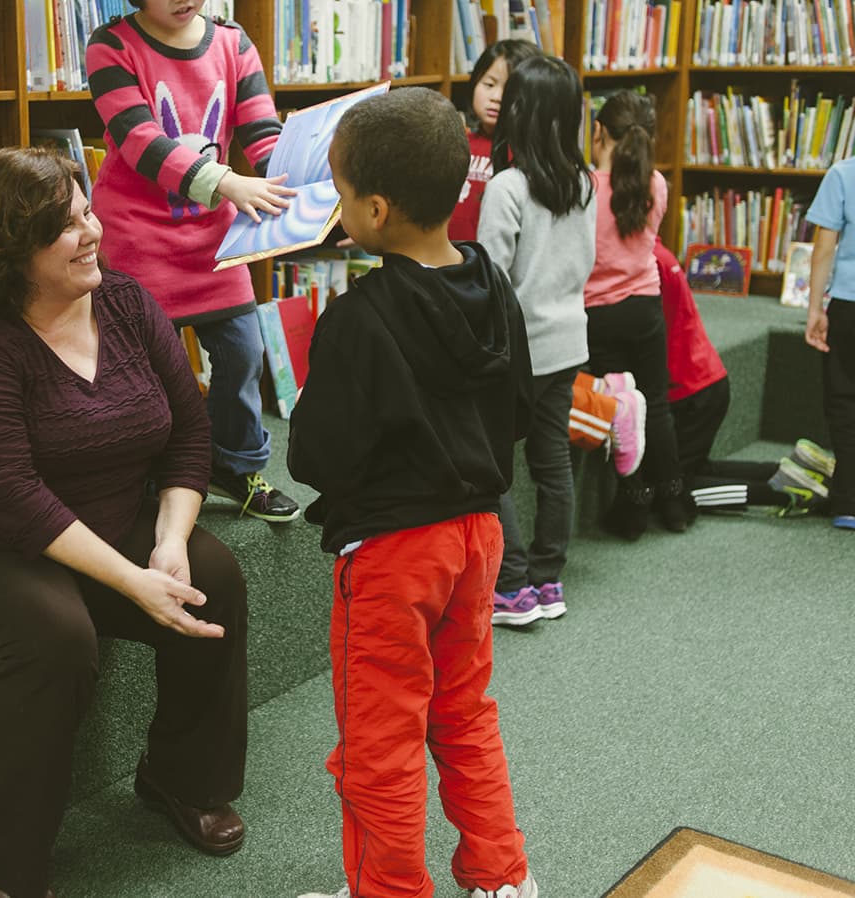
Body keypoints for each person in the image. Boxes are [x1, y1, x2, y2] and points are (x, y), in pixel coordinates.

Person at [0, 147, 250, 898]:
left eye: (87, 212)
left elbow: (189, 435)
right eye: (65, 228)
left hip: (90, 525)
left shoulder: (126, 304)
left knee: (213, 575)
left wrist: (167, 543)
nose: (92, 232)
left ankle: (181, 778)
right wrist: (133, 580)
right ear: (9, 251)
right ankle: (7, 862)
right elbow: (12, 497)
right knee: (52, 634)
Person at [290, 87, 537, 898]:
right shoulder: (494, 284)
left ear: (375, 209)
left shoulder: (358, 317)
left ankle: (388, 891)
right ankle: (501, 878)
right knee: (464, 711)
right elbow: (522, 409)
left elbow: (319, 454)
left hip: (397, 553)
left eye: (337, 188)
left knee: (380, 735)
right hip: (478, 533)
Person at [85, 0, 302, 522]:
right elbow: (141, 141)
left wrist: (302, 181)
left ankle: (232, 465)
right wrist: (226, 181)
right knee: (143, 372)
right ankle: (142, 476)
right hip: (138, 242)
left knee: (245, 352)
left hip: (214, 243)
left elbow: (262, 132)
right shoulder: (110, 46)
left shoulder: (233, 42)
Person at [477, 54, 597, 626]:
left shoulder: (507, 186)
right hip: (569, 341)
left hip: (518, 351)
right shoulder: (584, 182)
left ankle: (513, 585)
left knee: (493, 465)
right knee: (553, 464)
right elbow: (586, 262)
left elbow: (491, 279)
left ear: (519, 112)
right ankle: (550, 580)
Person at [655, 240, 834, 515]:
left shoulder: (645, 262)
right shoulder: (658, 253)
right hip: (705, 377)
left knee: (674, 490)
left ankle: (780, 492)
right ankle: (793, 470)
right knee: (696, 468)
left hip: (688, 390)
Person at [584, 90, 686, 539]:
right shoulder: (656, 185)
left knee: (620, 409)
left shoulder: (583, 188)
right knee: (657, 406)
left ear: (599, 131)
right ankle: (676, 502)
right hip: (646, 308)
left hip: (598, 315)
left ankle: (634, 505)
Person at [803, 69, 855, 531]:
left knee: (848, 399)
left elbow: (824, 248)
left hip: (852, 304)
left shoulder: (843, 174)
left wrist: (814, 309)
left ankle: (850, 500)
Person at [449, 39, 541, 243]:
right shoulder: (456, 141)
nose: (497, 97)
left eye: (509, 90)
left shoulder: (525, 155)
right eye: (489, 84)